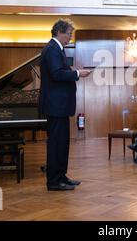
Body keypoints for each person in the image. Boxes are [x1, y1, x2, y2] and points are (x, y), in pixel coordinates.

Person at [40, 19, 91, 191]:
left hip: (60, 107)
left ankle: (61, 176)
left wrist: (73, 72)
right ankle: (54, 181)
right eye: (69, 33)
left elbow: (60, 72)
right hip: (55, 107)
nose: (70, 37)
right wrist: (77, 73)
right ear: (59, 32)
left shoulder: (57, 49)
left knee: (62, 143)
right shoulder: (52, 49)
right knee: (56, 144)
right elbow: (56, 74)